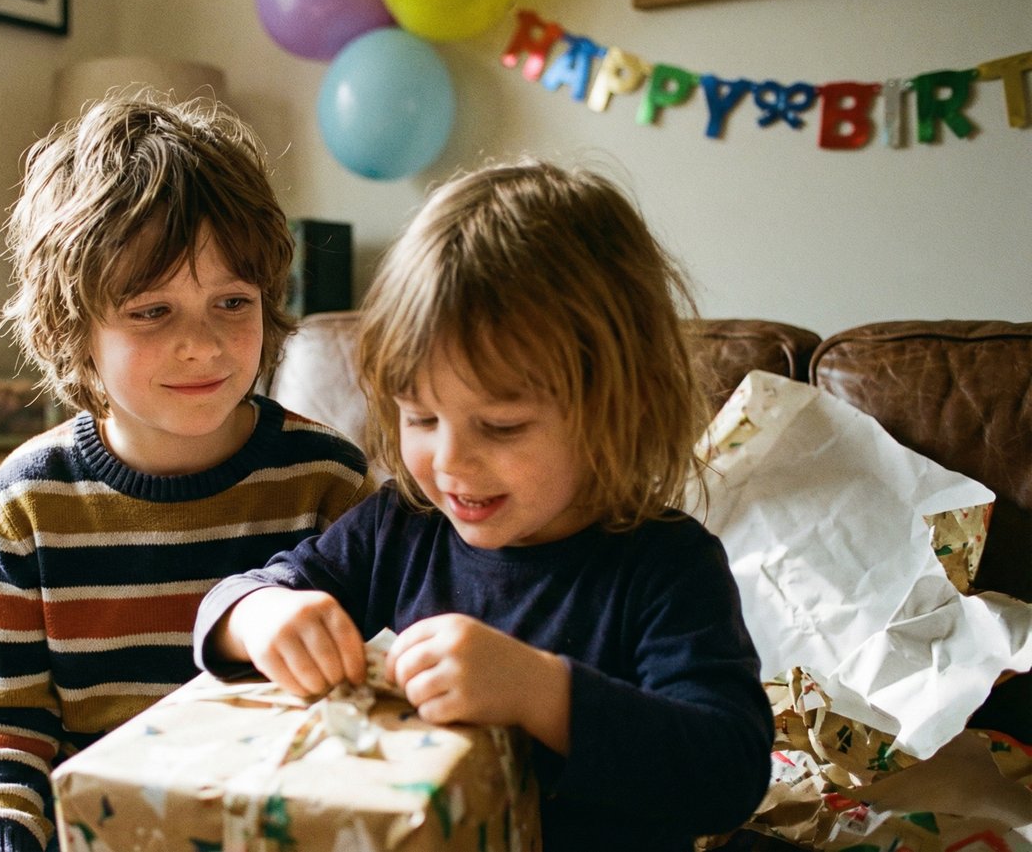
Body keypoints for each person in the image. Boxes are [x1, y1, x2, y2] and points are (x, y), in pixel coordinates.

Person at [195, 159, 774, 851]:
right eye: (420, 417)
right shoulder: (401, 526)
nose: (449, 462)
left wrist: (542, 692)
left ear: (622, 403)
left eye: (501, 426)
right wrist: (259, 615)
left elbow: (729, 769)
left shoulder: (666, 564)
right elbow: (238, 597)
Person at [0, 91, 377, 852]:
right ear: (72, 327)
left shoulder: (326, 478)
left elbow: (362, 704)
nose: (204, 345)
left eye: (231, 302)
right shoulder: (30, 497)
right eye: (153, 311)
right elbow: (3, 727)